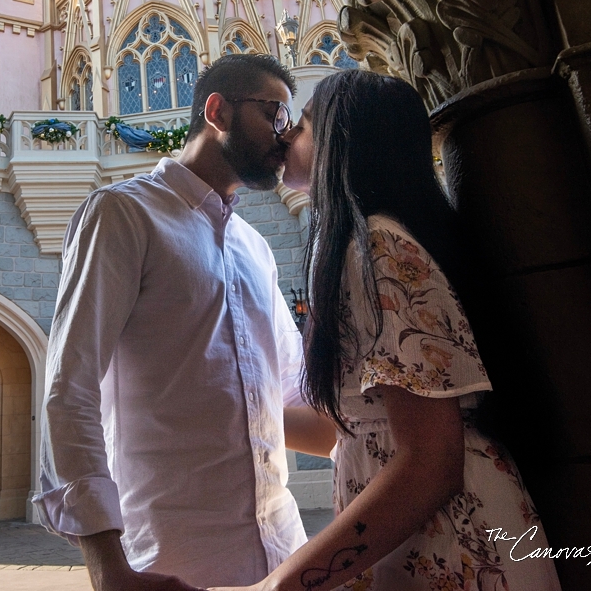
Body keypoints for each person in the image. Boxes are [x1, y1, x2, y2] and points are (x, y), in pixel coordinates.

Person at [212, 70, 561, 590]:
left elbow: (429, 460)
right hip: (426, 537)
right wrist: (224, 407)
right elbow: (353, 429)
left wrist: (287, 583)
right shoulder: (373, 242)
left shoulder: (373, 246)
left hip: (452, 545)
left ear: (342, 137)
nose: (285, 135)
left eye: (303, 123)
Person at [35, 54, 309, 590]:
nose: (285, 135)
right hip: (175, 561)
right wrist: (109, 571)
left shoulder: (256, 248)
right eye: (275, 114)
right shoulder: (122, 214)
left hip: (286, 552)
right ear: (218, 112)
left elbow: (293, 398)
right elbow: (69, 390)